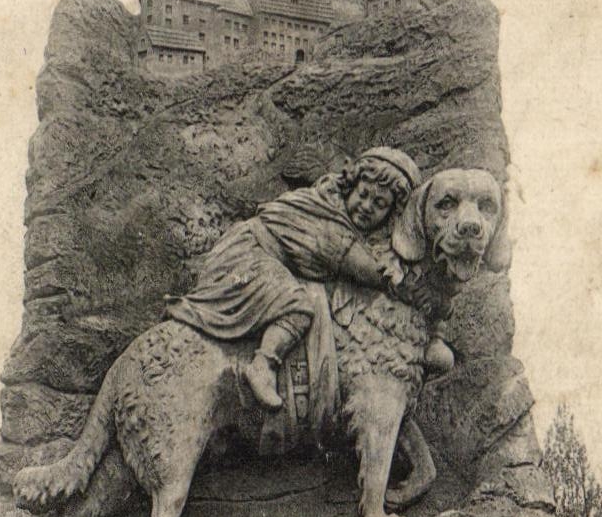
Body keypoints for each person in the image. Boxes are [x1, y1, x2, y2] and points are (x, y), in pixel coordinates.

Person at [166, 147, 421, 410]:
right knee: (297, 304)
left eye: (380, 204)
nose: (367, 206)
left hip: (255, 258)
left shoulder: (340, 218)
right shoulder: (327, 219)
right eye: (363, 194)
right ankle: (263, 364)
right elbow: (367, 271)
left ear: (391, 214)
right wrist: (412, 287)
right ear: (350, 186)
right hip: (244, 259)